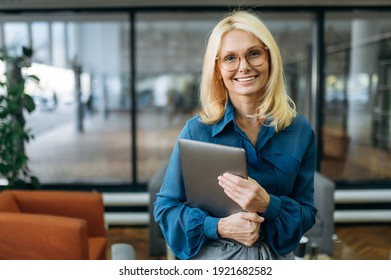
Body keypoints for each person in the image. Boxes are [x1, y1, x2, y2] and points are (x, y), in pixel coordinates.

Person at [153, 10, 317, 260]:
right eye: (230, 58)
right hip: (214, 257)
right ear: (218, 68)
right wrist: (219, 226)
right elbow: (165, 209)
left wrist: (268, 204)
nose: (244, 66)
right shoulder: (197, 131)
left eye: (254, 53)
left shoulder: (300, 131)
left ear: (269, 58)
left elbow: (307, 213)